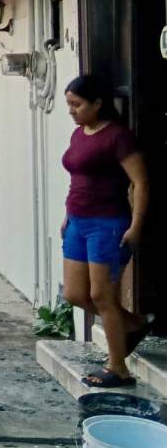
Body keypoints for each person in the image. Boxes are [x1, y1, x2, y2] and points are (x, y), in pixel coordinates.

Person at [59, 75, 151, 388]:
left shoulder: (118, 137)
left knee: (102, 296)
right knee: (74, 293)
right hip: (77, 222)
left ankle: (118, 368)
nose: (71, 110)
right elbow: (77, 180)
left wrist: (136, 226)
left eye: (77, 104)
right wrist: (67, 215)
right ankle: (133, 323)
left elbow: (140, 182)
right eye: (69, 104)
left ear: (98, 103)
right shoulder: (78, 134)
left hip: (108, 224)